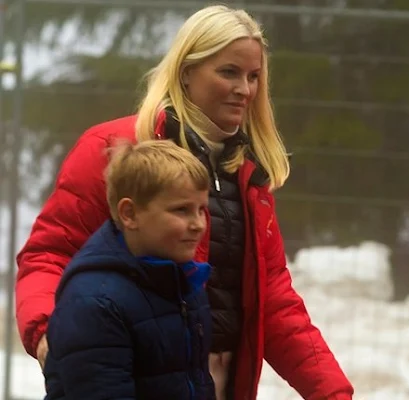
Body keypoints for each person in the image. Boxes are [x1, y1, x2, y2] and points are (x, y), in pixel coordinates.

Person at [16, 5, 354, 400]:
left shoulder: (248, 173)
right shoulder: (114, 148)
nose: (244, 89)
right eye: (228, 72)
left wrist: (330, 391)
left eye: (254, 76)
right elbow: (49, 254)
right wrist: (46, 336)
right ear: (186, 71)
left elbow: (274, 300)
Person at [42, 140, 215, 399]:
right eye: (182, 210)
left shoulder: (183, 284)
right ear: (129, 214)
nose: (199, 224)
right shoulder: (95, 304)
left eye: (201, 210)